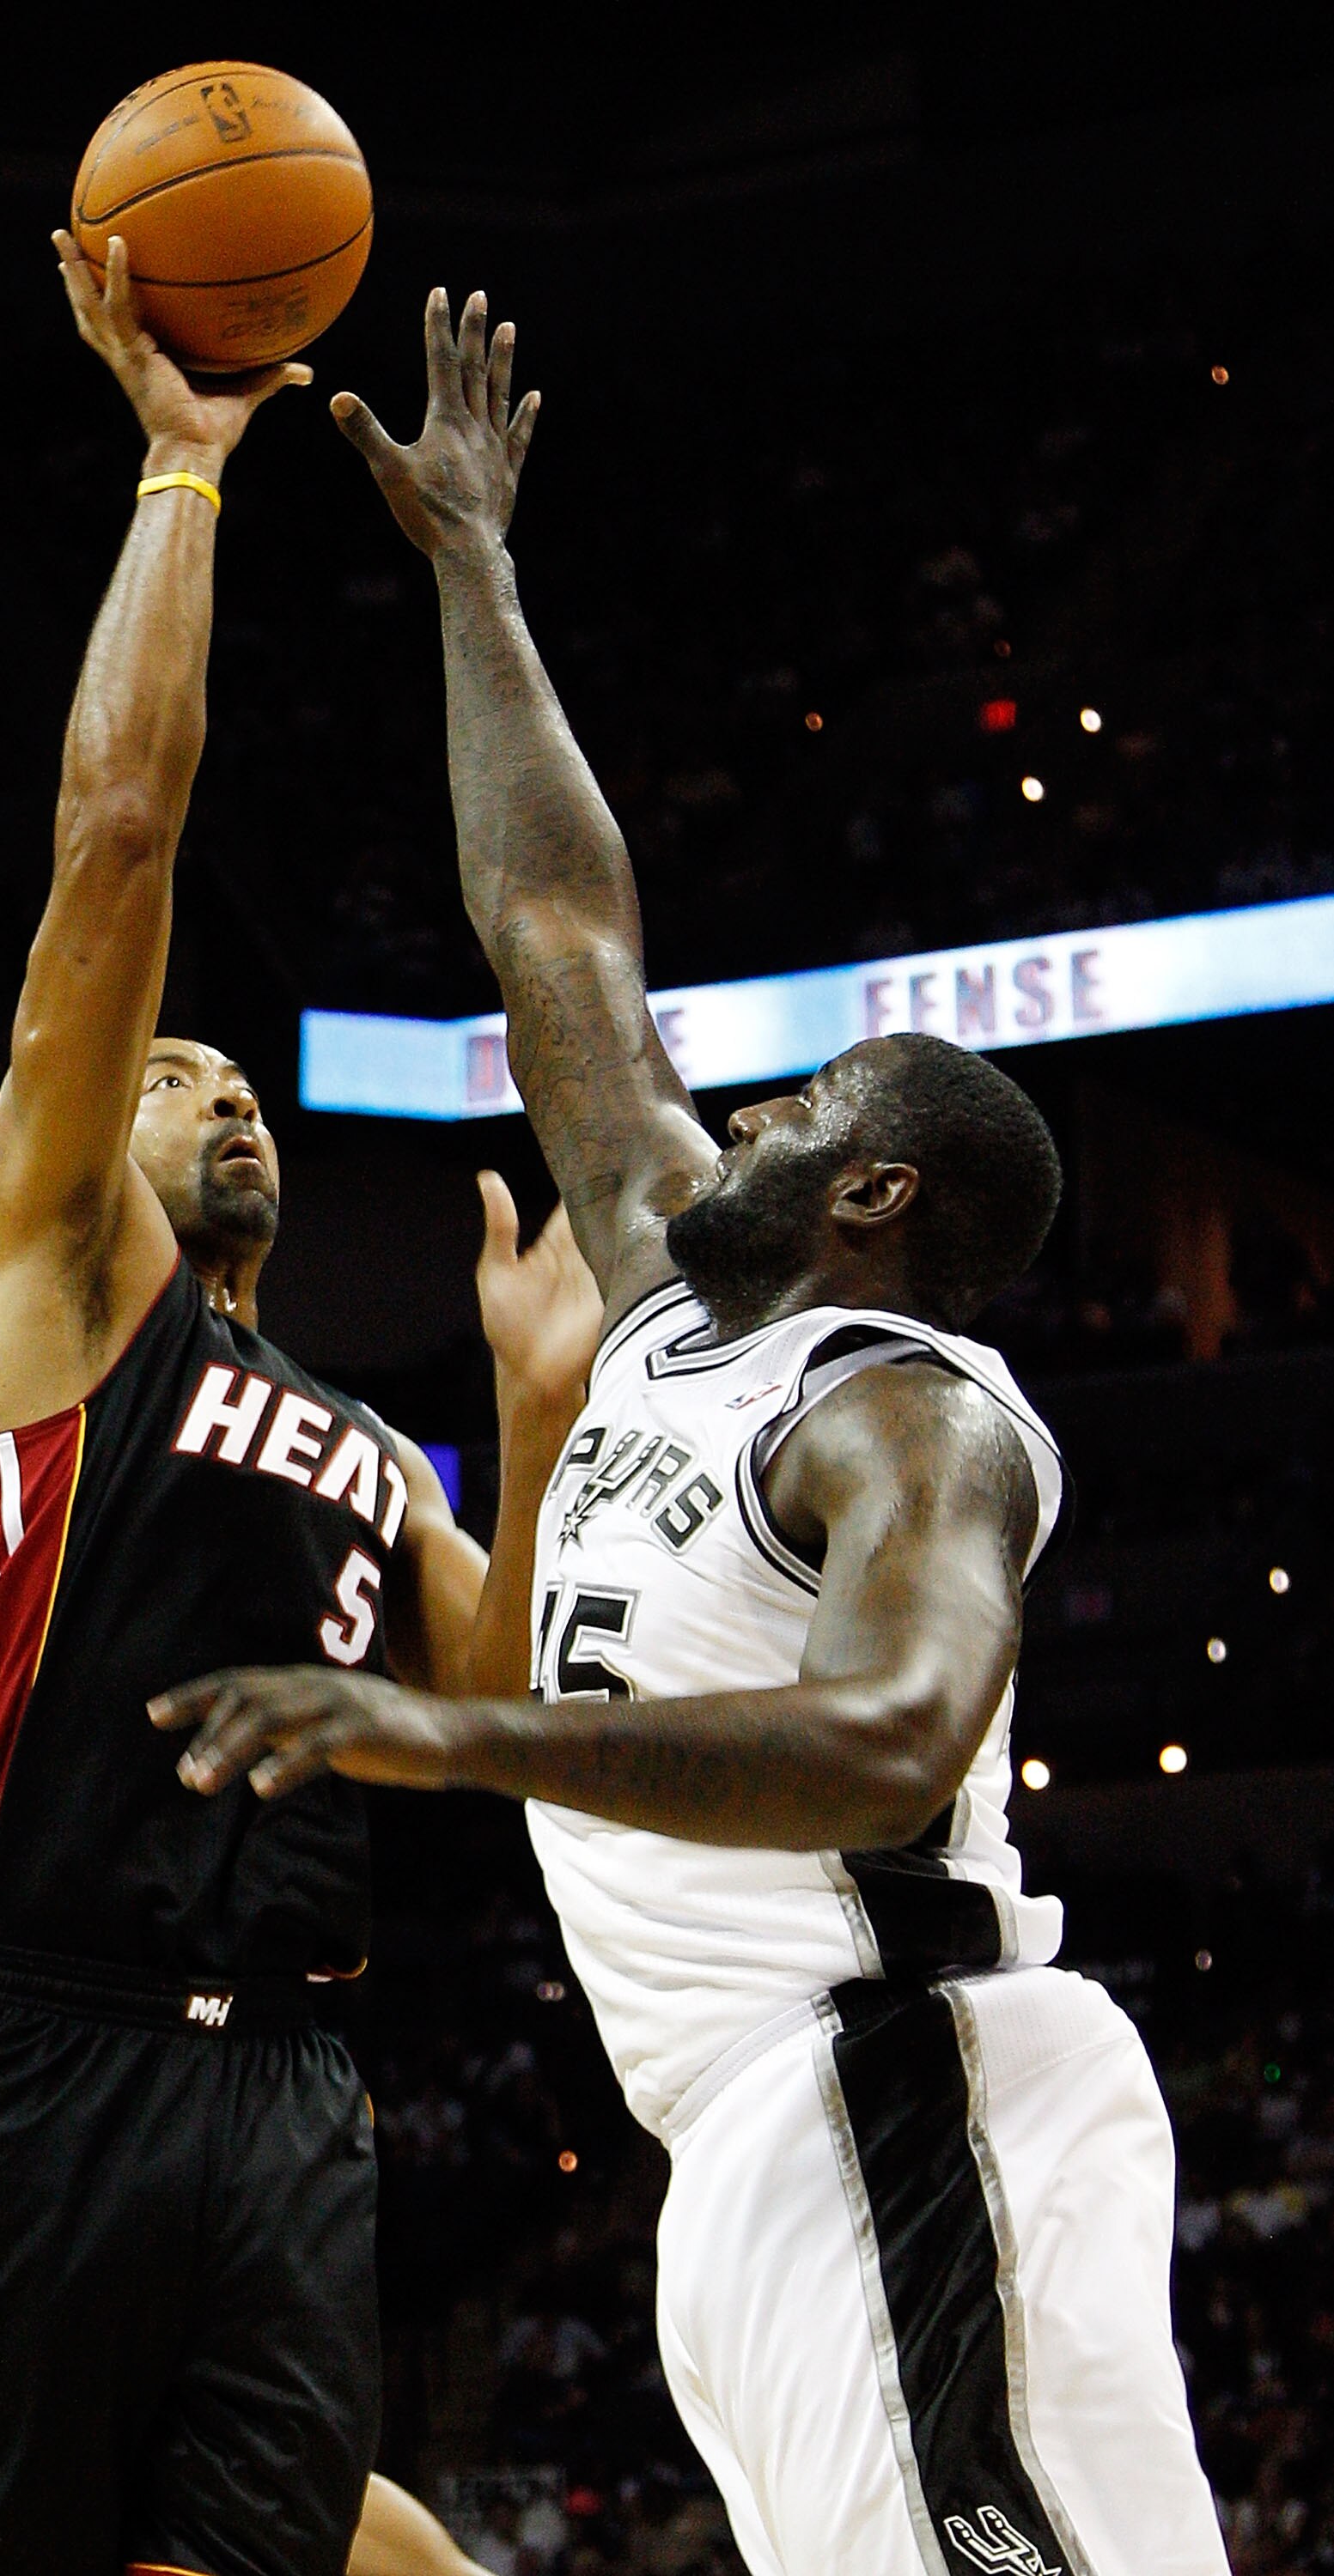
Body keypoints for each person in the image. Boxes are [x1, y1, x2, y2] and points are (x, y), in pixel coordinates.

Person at [154, 293, 1230, 2575]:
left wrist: (450, 1742)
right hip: (751, 2133)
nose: (737, 1108)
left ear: (873, 1193)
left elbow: (882, 1734)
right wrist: (473, 573)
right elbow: (554, 925)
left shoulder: (908, 1423)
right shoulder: (671, 1297)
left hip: (909, 2085)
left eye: (806, 1105)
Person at [0, 241, 600, 2576]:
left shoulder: (363, 1436)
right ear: (67, 1142)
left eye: (243, 1077)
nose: (220, 1090)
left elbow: (496, 1698)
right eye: (173, 1076)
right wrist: (183, 461)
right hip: (17, 2039)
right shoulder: (54, 1301)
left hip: (288, 2087)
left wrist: (534, 1411)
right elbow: (120, 840)